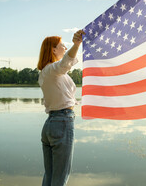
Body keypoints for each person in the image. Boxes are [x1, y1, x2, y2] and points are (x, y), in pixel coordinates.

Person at [37, 30, 85, 186]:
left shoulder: (49, 72)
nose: (65, 48)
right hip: (62, 122)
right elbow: (65, 63)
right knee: (60, 179)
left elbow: (63, 66)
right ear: (53, 50)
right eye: (62, 45)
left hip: (51, 124)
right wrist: (77, 44)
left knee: (50, 177)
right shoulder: (51, 70)